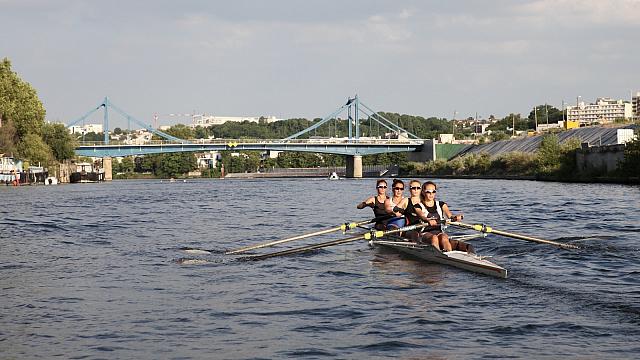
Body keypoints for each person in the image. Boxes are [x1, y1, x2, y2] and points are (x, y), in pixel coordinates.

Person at [415, 181, 470, 253]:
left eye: (433, 191)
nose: (431, 194)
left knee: (444, 237)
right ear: (423, 192)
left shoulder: (441, 204)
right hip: (424, 233)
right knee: (434, 238)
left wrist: (455, 217)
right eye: (428, 192)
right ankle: (438, 255)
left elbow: (450, 216)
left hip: (439, 232)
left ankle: (450, 255)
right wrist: (428, 220)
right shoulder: (418, 206)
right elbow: (421, 215)